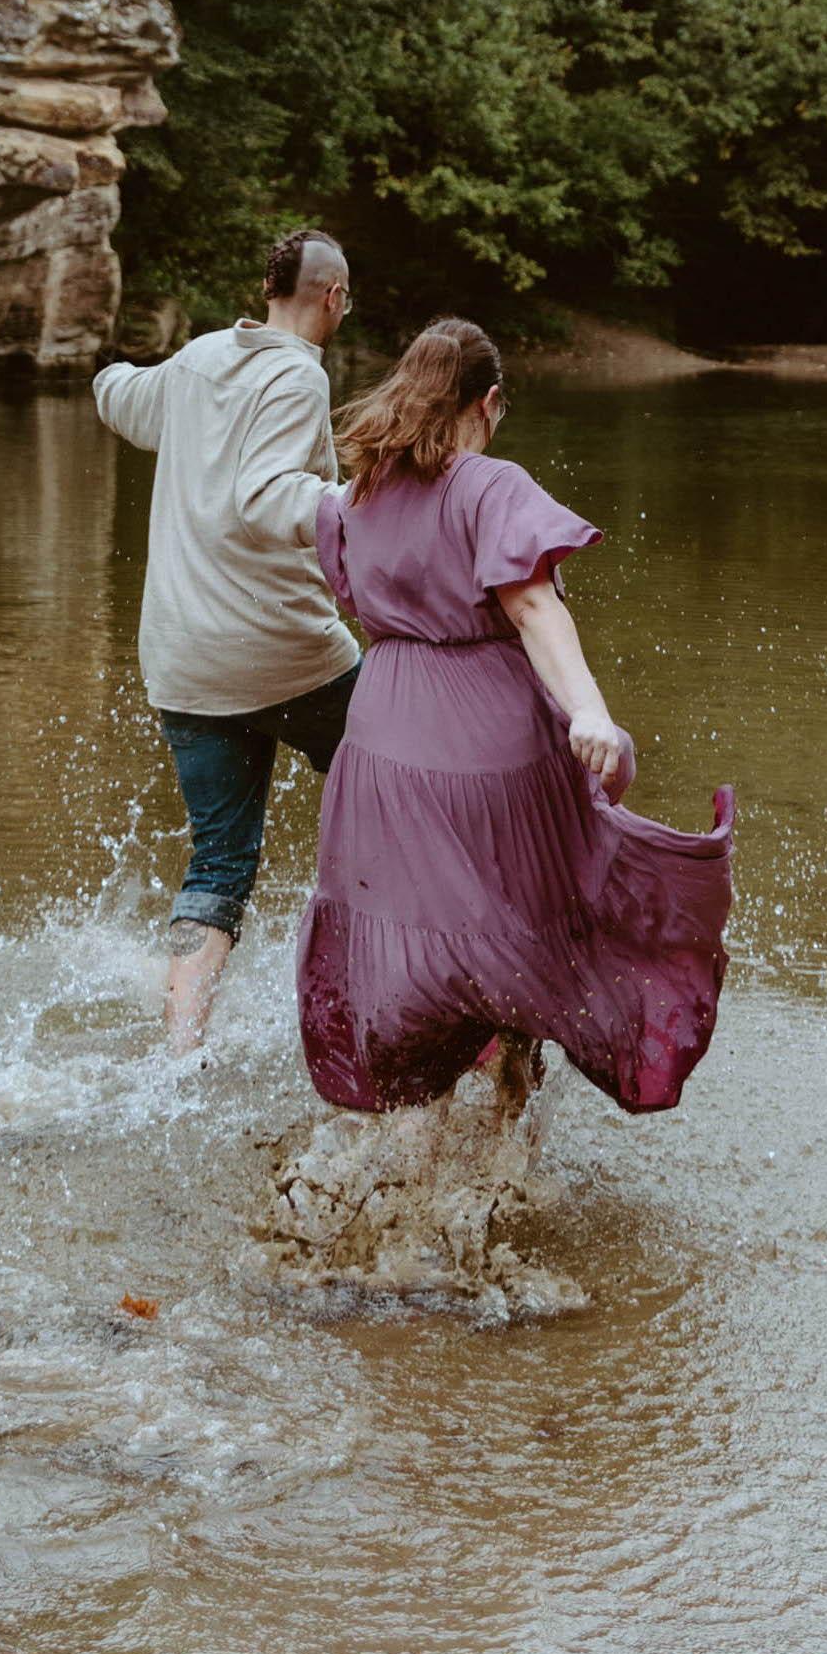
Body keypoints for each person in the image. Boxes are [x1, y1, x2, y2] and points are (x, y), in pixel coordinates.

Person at [295, 317, 732, 1116]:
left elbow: (358, 599)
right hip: (487, 740)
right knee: (526, 922)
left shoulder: (358, 491)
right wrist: (590, 712)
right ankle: (506, 1125)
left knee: (416, 938)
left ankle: (410, 1136)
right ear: (487, 401)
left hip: (378, 747)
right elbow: (532, 606)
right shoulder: (490, 485)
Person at [89, 229, 361, 1052]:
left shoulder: (201, 358)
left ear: (268, 286)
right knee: (407, 784)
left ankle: (179, 1057)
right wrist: (361, 509)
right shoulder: (299, 376)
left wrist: (106, 370)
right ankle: (414, 982)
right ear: (333, 298)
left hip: (184, 662)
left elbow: (121, 398)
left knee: (216, 867)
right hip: (285, 652)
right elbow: (269, 497)